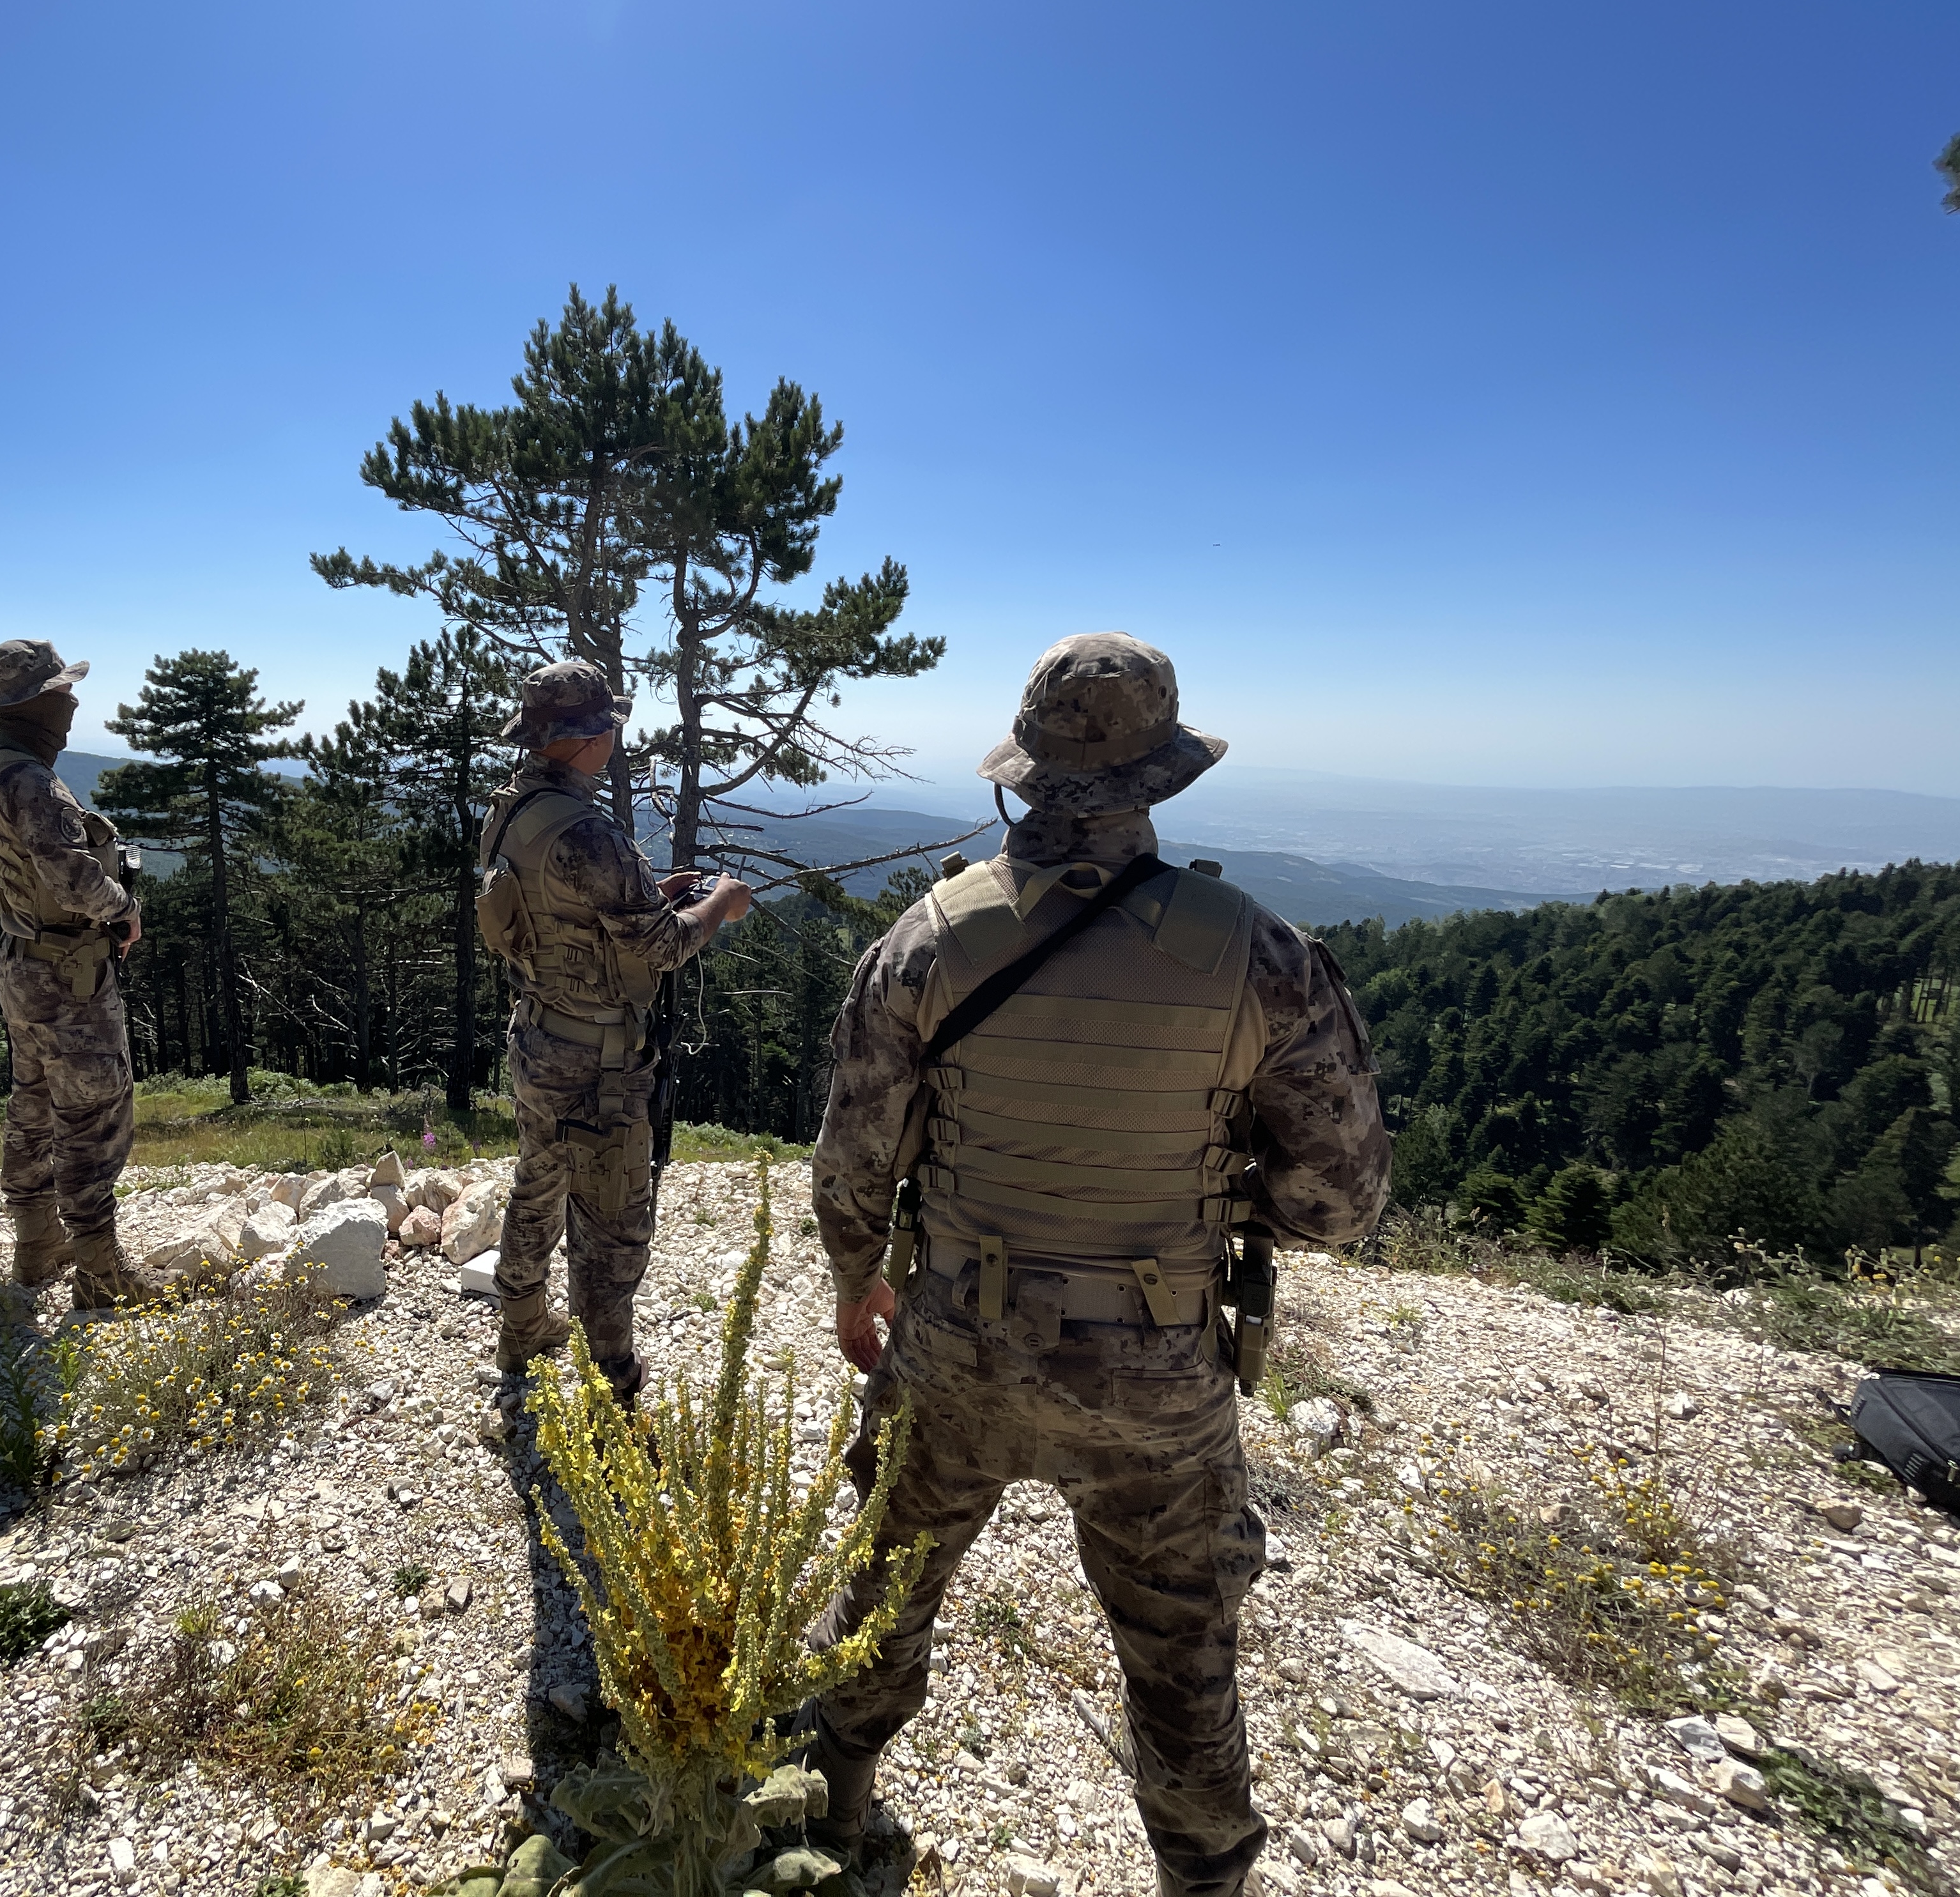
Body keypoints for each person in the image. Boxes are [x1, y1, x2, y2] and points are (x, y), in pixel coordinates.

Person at [793, 633, 1390, 1897]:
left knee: (889, 1584)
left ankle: (828, 1810)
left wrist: (861, 1285)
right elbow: (1340, 1202)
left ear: (1021, 776)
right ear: (1163, 780)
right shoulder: (1262, 954)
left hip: (957, 1340)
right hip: (1159, 1371)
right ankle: (1202, 1873)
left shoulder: (923, 940)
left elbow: (852, 1165)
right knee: (1180, 1649)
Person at [478, 658, 754, 1396]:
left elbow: (556, 909)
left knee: (538, 1184)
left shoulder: (512, 810)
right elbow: (662, 947)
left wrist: (647, 896)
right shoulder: (589, 831)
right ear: (588, 737)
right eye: (608, 728)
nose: (613, 739)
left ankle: (522, 1330)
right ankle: (613, 1379)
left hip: (537, 1035)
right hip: (598, 1060)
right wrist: (717, 904)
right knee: (612, 1226)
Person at [0, 638, 153, 1310]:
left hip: (21, 958)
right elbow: (72, 878)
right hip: (68, 971)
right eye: (63, 690)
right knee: (94, 1110)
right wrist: (124, 911)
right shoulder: (31, 781)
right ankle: (101, 1273)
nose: (72, 701)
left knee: (35, 1100)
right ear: (35, 701)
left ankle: (37, 1242)